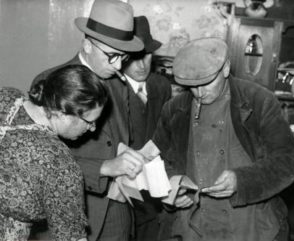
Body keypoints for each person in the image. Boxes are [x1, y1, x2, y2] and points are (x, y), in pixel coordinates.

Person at [152, 37, 294, 241]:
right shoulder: (174, 109)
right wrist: (173, 188)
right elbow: (157, 161)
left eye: (206, 82)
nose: (199, 93)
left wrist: (241, 180)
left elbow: (289, 159)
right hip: (194, 228)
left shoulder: (259, 101)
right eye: (192, 86)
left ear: (226, 68)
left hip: (250, 227)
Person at [31, 0, 147, 240]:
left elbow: (118, 139)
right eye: (112, 56)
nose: (117, 66)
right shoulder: (50, 82)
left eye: (124, 58)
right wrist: (105, 169)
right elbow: (42, 164)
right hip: (70, 210)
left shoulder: (118, 83)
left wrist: (125, 155)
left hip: (117, 211)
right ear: (87, 45)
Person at [0, 65, 108, 241]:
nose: (93, 128)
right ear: (62, 113)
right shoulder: (59, 165)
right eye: (89, 121)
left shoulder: (5, 97)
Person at [122, 16, 172, 241]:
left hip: (156, 193)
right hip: (122, 192)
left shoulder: (161, 86)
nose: (142, 65)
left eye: (147, 56)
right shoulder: (109, 89)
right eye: (134, 58)